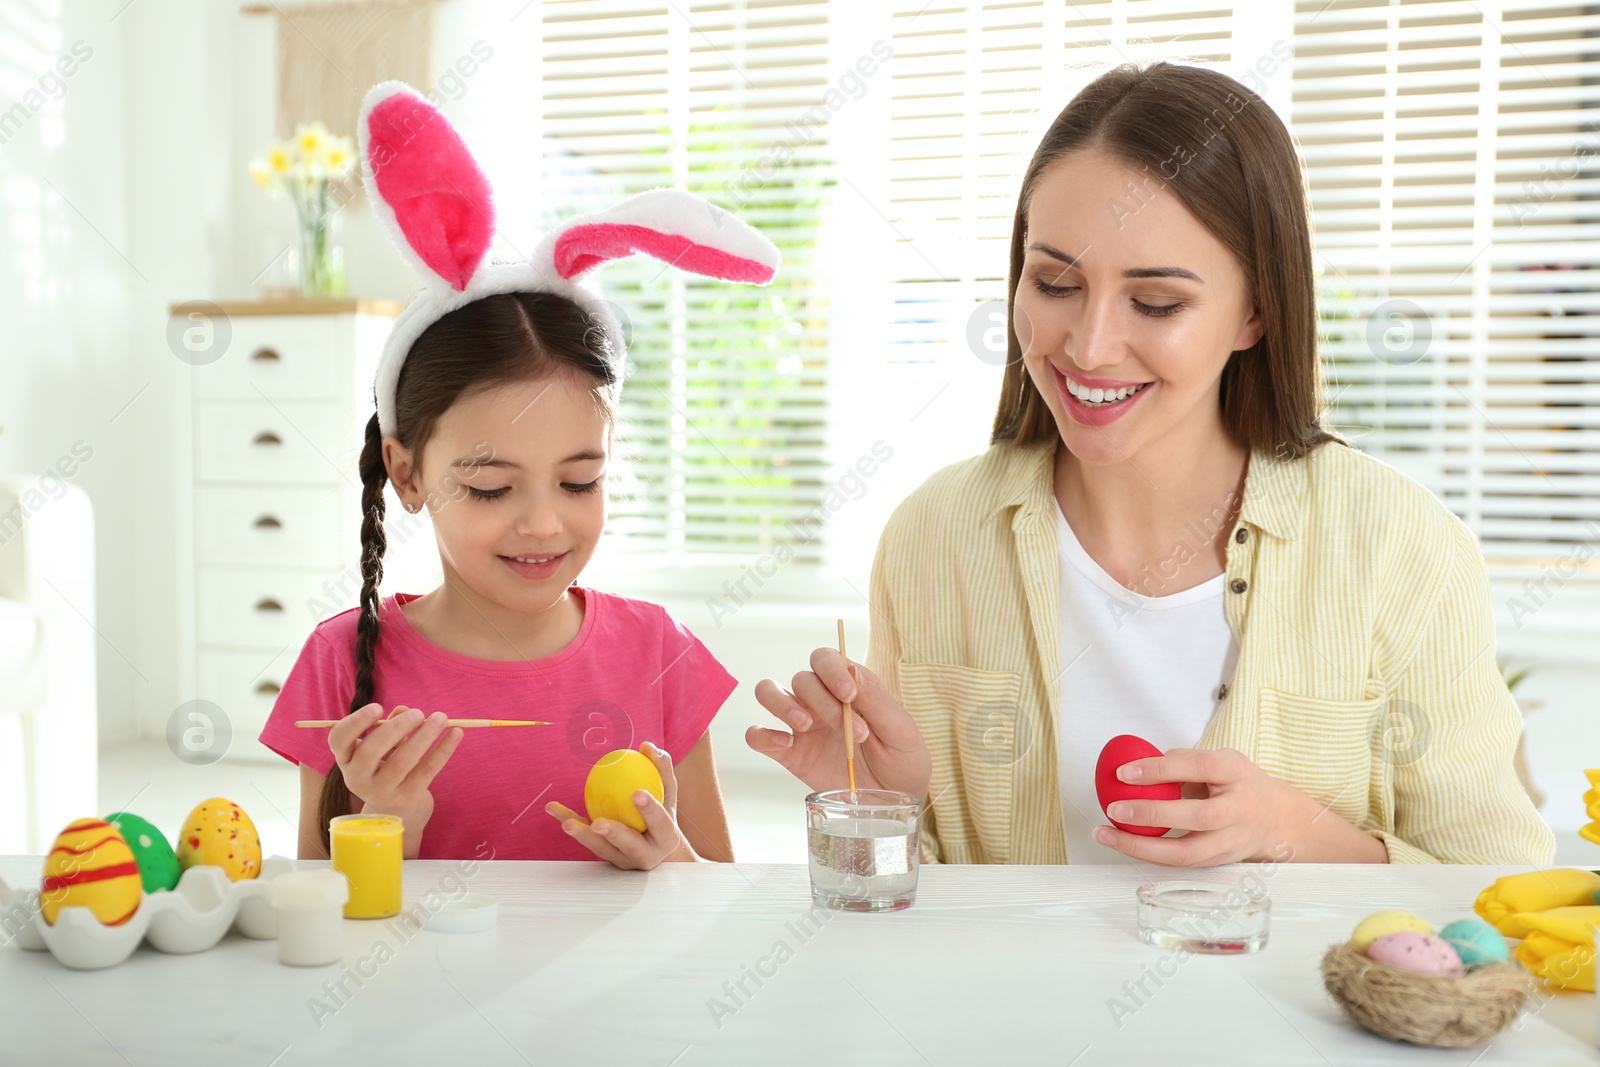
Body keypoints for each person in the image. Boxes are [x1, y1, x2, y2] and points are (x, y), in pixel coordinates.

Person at [747, 62, 1554, 866]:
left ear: (1256, 311)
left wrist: (1293, 831)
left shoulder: (1400, 545)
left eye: (1157, 303)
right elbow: (908, 934)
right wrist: (873, 814)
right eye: (1055, 282)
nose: (1090, 346)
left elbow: (1496, 895)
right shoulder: (936, 536)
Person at [258, 81, 780, 867]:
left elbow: (715, 901)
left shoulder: (658, 655)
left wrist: (672, 866)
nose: (543, 523)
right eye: (491, 487)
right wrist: (391, 823)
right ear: (405, 473)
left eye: (579, 482)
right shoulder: (340, 664)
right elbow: (321, 923)